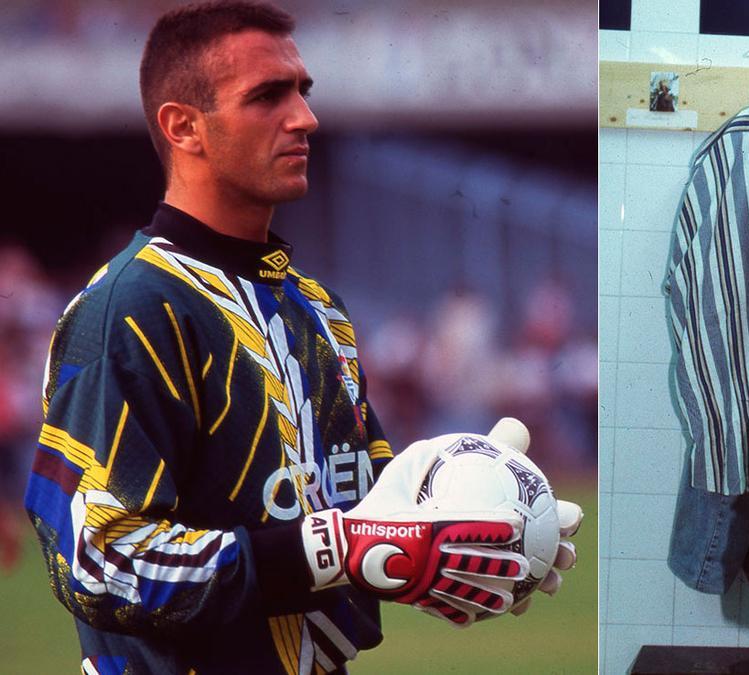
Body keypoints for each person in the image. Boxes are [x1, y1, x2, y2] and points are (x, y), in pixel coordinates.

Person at [23, 2, 580, 673]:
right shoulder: (131, 309)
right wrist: (334, 548)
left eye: (303, 92)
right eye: (267, 96)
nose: (305, 118)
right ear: (183, 127)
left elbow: (366, 514)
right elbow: (96, 558)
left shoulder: (316, 308)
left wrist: (472, 511)